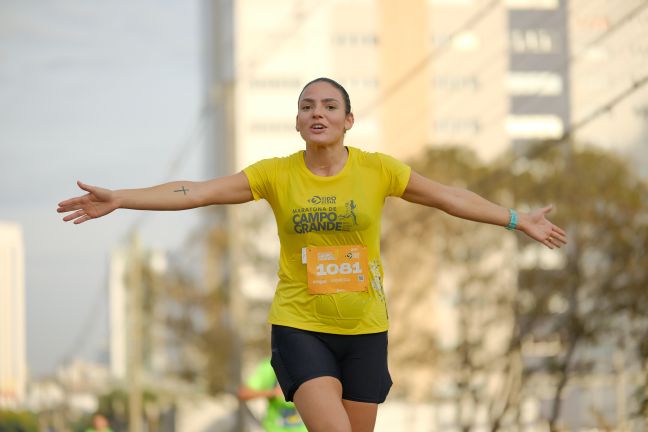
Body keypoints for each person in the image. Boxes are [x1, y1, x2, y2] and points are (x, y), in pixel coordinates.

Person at [58, 77, 567, 432]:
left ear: (348, 120)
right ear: (297, 123)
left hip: (366, 330)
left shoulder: (378, 170)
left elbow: (449, 197)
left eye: (327, 106)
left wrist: (517, 220)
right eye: (306, 107)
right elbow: (196, 191)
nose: (316, 113)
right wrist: (122, 197)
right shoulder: (275, 174)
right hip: (301, 326)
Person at [238, 357, 307, 431]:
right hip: (274, 428)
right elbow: (243, 393)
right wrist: (273, 393)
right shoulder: (268, 366)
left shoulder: (309, 363)